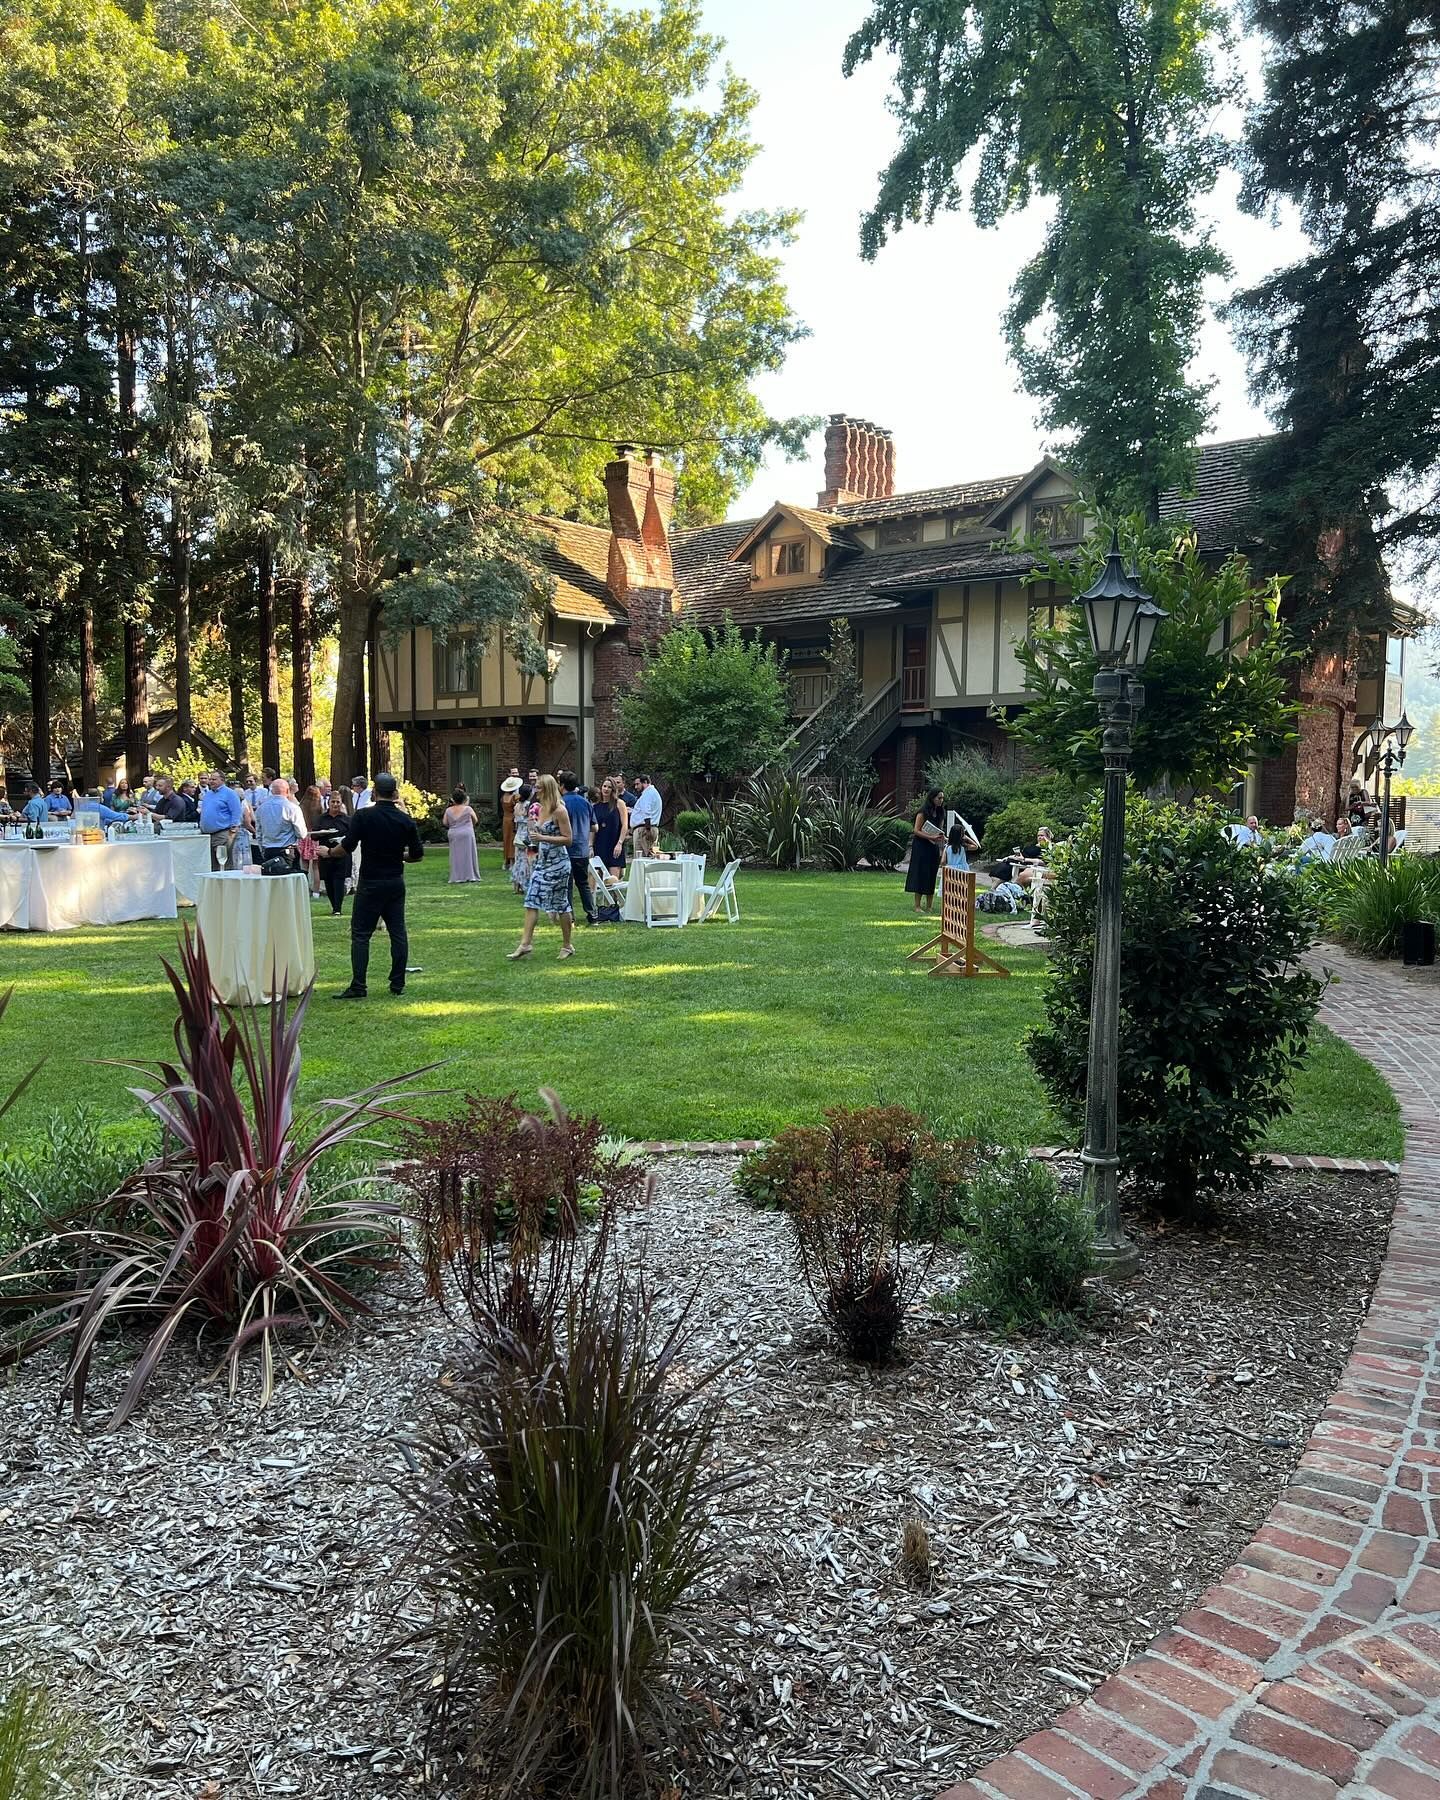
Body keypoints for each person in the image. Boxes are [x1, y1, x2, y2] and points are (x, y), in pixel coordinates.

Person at [332, 771, 424, 999]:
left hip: (370, 882)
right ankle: (397, 983)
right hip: (395, 882)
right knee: (398, 932)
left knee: (361, 934)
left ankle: (359, 985)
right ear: (395, 793)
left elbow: (347, 846)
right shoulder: (405, 820)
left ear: (374, 792)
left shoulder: (363, 816)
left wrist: (329, 852)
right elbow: (417, 855)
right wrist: (398, 856)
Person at [508, 774, 575, 960]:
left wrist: (543, 837)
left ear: (547, 789)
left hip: (559, 864)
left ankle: (567, 945)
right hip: (542, 863)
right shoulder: (540, 808)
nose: (535, 790)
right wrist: (534, 838)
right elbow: (538, 835)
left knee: (561, 905)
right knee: (531, 901)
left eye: (538, 787)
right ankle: (525, 944)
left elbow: (568, 839)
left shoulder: (559, 810)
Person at [559, 771, 597, 924]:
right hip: (582, 849)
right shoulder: (585, 802)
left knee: (567, 885)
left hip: (565, 849)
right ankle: (592, 915)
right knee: (583, 883)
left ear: (562, 785)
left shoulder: (561, 803)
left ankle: (570, 917)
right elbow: (595, 827)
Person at [311, 792, 353, 914]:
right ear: (328, 803)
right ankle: (334, 905)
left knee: (339, 879)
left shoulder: (347, 819)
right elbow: (314, 836)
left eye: (337, 802)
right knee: (328, 880)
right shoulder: (321, 819)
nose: (335, 804)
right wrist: (323, 833)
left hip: (341, 853)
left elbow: (352, 836)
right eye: (333, 802)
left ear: (341, 803)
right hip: (325, 854)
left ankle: (337, 908)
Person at [253, 778, 307, 872]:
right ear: (287, 791)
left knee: (270, 879)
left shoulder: (261, 809)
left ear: (271, 791)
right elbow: (301, 834)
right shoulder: (292, 808)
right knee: (289, 879)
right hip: (287, 851)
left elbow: (259, 832)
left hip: (268, 850)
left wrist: (262, 849)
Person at [905, 786, 946, 912]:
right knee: (920, 873)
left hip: (933, 846)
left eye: (942, 798)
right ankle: (917, 905)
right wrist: (931, 837)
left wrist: (940, 838)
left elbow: (940, 829)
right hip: (921, 846)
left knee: (931, 873)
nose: (941, 800)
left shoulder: (940, 812)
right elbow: (916, 830)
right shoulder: (923, 812)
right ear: (932, 798)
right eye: (939, 798)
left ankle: (929, 906)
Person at [198, 770, 244, 867]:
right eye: (210, 779)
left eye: (214, 779)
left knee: (223, 863)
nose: (211, 781)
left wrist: (233, 831)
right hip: (207, 835)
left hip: (222, 834)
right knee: (211, 865)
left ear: (222, 780)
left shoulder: (230, 794)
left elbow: (236, 812)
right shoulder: (208, 794)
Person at [443, 785, 481, 883]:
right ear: (464, 799)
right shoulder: (468, 809)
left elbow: (445, 823)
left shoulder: (448, 810)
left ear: (453, 799)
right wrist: (470, 825)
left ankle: (457, 875)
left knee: (456, 855)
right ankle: (470, 874)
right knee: (468, 854)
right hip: (467, 832)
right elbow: (475, 820)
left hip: (454, 833)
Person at [593, 776, 629, 876]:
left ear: (613, 790)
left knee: (613, 879)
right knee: (598, 877)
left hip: (614, 844)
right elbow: (592, 828)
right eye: (604, 786)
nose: (606, 789)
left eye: (609, 787)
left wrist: (620, 843)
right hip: (600, 844)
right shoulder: (595, 806)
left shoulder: (619, 804)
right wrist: (590, 845)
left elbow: (625, 825)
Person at [630, 774, 662, 858]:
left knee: (642, 859)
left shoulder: (648, 793)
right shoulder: (651, 793)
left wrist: (648, 830)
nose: (636, 787)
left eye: (638, 784)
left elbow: (647, 812)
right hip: (647, 828)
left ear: (645, 782)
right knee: (646, 858)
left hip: (644, 829)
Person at [500, 771, 523, 863]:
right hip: (512, 819)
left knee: (506, 838)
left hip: (505, 819)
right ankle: (512, 859)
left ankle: (506, 860)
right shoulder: (515, 797)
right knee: (512, 838)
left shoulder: (503, 796)